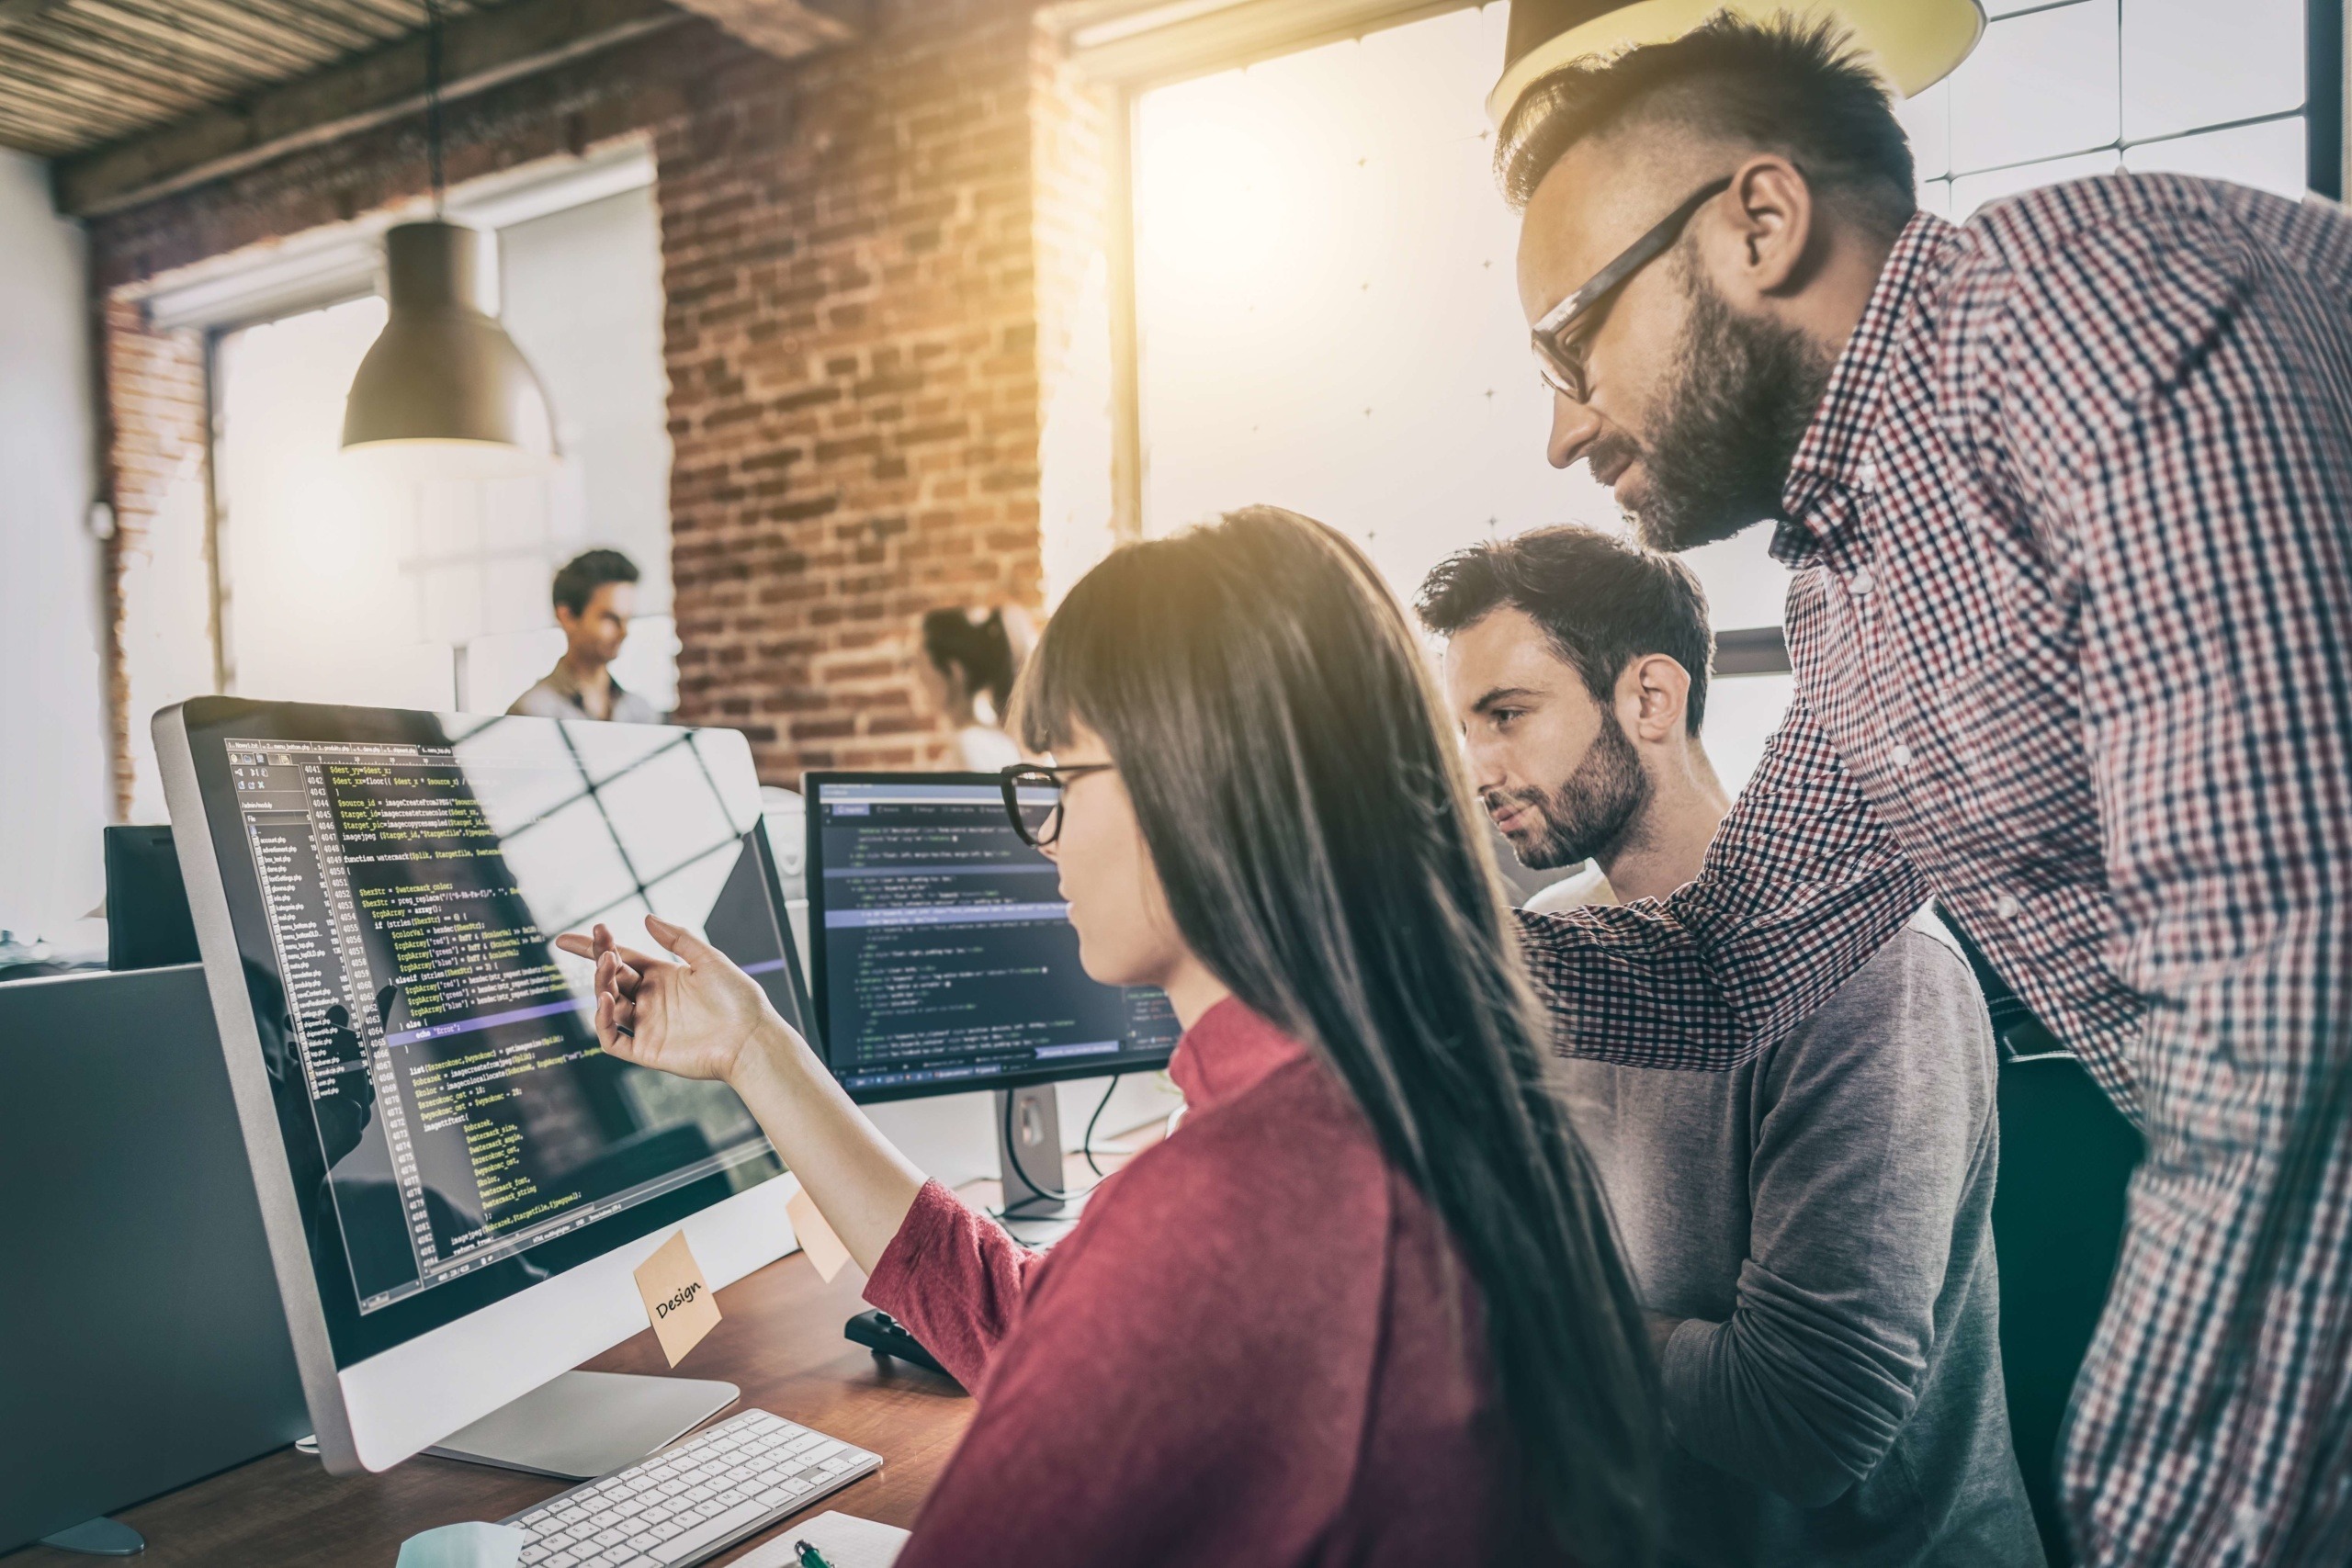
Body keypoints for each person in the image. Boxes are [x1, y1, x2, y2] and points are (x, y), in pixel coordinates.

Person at [1491, 15, 2352, 1562]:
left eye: (1571, 340)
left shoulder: (2123, 326)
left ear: (1759, 222)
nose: (1561, 431)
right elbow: (1730, 964)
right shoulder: (1861, 576)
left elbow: (2294, 1053)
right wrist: (1367, 948)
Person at [559, 506, 1662, 1567]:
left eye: (1058, 781)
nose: (1043, 839)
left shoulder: (1232, 1204)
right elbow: (1039, 1331)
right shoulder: (1428, 1092)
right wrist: (755, 1047)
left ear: (1198, 791)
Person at [1420, 524, 2042, 1566]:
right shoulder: (1562, 950)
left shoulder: (1874, 970)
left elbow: (1801, 1423)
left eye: (1508, 716)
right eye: (1464, 727)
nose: (1477, 768)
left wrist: (1524, 1316)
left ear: (1649, 699)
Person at [509, 548, 663, 724]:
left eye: (627, 619)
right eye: (610, 618)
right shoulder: (530, 713)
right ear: (566, 617)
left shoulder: (642, 712)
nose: (624, 632)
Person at [915, 606, 1030, 770]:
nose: (918, 680)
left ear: (955, 672)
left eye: (923, 668)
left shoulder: (970, 746)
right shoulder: (988, 740)